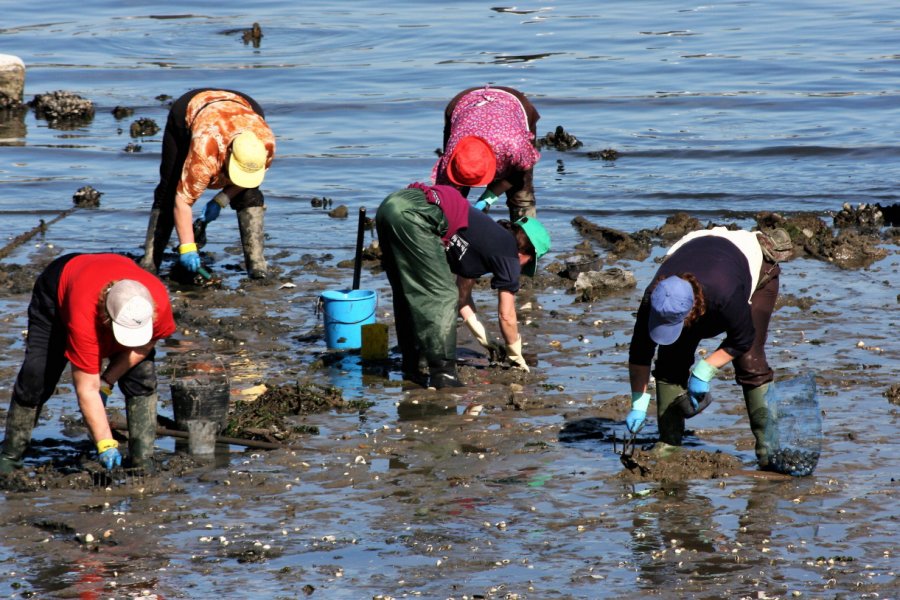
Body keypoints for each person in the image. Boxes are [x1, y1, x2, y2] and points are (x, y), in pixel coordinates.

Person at [376, 143, 550, 389]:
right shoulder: (509, 253)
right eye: (528, 263)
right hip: (416, 215)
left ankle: (413, 361)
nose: (522, 269)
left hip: (392, 205)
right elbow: (507, 315)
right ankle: (443, 373)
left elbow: (463, 299)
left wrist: (487, 341)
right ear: (527, 251)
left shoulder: (483, 238)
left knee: (408, 292)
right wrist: (515, 354)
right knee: (441, 295)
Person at [625, 227, 793, 469]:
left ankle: (770, 451)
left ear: (692, 312)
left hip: (754, 267)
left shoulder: (724, 294)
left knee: (749, 360)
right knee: (671, 357)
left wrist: (704, 370)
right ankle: (669, 445)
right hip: (699, 250)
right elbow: (640, 352)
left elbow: (743, 337)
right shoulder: (655, 296)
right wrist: (638, 403)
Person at [0, 253, 176, 473]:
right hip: (57, 292)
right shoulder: (84, 315)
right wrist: (105, 444)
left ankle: (143, 459)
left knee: (142, 377)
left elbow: (143, 346)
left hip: (110, 282)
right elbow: (86, 388)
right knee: (37, 376)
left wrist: (107, 381)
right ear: (105, 318)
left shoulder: (157, 303)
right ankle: (10, 456)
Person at [139, 88, 276, 279]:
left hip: (244, 105)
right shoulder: (205, 152)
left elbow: (250, 178)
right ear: (227, 155)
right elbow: (182, 201)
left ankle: (257, 266)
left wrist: (220, 200)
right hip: (192, 108)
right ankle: (150, 262)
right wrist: (187, 247)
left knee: (249, 192)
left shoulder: (264, 145)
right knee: (169, 189)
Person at [432, 85, 541, 221]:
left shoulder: (514, 145)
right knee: (451, 198)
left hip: (512, 103)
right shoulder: (452, 155)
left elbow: (518, 172)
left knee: (521, 195)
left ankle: (527, 233)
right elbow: (444, 194)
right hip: (463, 103)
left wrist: (488, 198)